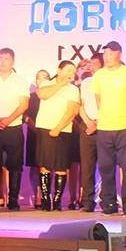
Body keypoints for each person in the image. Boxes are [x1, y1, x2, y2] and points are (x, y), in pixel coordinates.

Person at [91, 42, 126, 215]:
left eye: (110, 54)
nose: (107, 57)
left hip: (125, 127)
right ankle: (109, 203)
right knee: (106, 167)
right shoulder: (99, 75)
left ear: (119, 54)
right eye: (105, 54)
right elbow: (98, 100)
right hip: (105, 127)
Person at [0, 48, 30, 210]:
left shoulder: (20, 80)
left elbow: (24, 104)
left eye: (6, 59)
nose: (3, 62)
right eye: (0, 58)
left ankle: (13, 200)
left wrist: (8, 120)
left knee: (15, 164)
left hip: (13, 127)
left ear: (13, 61)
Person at [35, 61, 83, 210]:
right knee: (44, 166)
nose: (71, 74)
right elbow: (42, 95)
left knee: (61, 166)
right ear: (59, 70)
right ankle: (45, 200)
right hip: (44, 127)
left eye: (73, 71)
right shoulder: (46, 83)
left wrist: (58, 128)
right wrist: (61, 84)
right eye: (68, 70)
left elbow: (72, 111)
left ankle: (57, 201)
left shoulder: (73, 89)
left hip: (63, 130)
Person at [76, 53, 103, 212]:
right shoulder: (86, 82)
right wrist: (88, 122)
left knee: (106, 167)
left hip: (104, 127)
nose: (91, 66)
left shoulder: (107, 81)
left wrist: (97, 124)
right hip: (87, 126)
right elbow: (80, 105)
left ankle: (107, 201)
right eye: (90, 63)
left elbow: (109, 105)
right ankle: (87, 201)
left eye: (95, 63)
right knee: (87, 167)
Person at [24, 70, 51, 209]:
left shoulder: (53, 96)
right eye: (40, 78)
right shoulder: (31, 97)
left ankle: (47, 194)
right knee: (35, 166)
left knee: (48, 166)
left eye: (46, 78)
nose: (43, 80)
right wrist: (35, 128)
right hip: (34, 134)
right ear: (36, 81)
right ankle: (37, 195)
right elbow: (25, 116)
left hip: (50, 134)